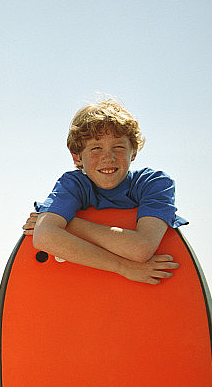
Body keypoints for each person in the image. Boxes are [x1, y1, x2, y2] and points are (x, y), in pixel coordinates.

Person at [23, 98, 184, 285]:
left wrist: (69, 224)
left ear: (133, 152)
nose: (108, 157)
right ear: (77, 157)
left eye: (119, 147)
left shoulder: (154, 183)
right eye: (96, 148)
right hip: (81, 286)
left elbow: (141, 249)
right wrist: (124, 267)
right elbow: (44, 237)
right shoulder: (74, 184)